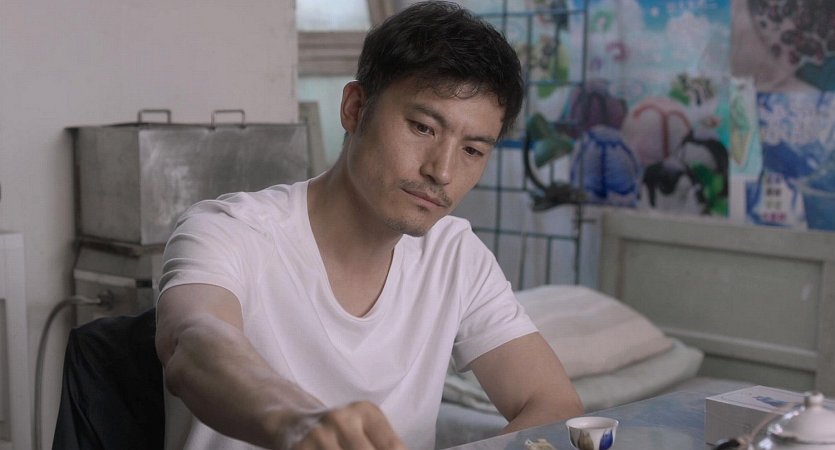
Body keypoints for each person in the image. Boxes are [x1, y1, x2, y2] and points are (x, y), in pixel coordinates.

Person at [154, 2, 583, 449]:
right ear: (355, 108)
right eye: (422, 127)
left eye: (472, 150)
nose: (442, 171)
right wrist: (297, 421)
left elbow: (553, 404)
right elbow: (193, 343)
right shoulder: (228, 231)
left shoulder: (455, 256)